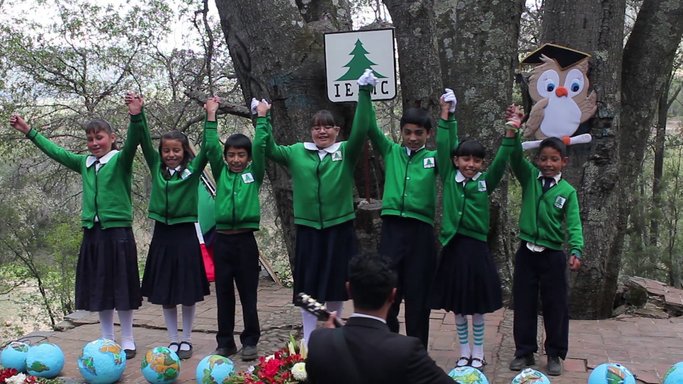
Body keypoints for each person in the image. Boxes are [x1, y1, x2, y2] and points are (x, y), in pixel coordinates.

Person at [9, 104, 142, 359]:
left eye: (99, 137)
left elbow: (136, 140)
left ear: (112, 138)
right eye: (90, 139)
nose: (94, 143)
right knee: (102, 288)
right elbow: (56, 152)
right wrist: (29, 130)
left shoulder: (120, 160)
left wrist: (136, 116)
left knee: (122, 289)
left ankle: (127, 339)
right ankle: (107, 339)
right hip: (93, 234)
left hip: (118, 234)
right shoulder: (85, 163)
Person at [264, 71, 373, 344]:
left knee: (336, 285)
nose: (321, 131)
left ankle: (332, 334)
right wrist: (262, 119)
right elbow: (267, 148)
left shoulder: (345, 151)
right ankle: (310, 338)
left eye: (328, 127)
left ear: (337, 130)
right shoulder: (296, 152)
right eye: (316, 127)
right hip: (309, 230)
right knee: (309, 288)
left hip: (339, 228)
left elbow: (362, 129)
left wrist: (364, 94)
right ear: (311, 130)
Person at [430, 89, 517, 370]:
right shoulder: (448, 174)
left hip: (477, 249)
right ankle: (464, 351)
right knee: (458, 305)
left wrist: (511, 131)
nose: (470, 164)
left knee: (477, 306)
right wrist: (447, 116)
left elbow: (503, 161)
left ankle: (478, 352)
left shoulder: (484, 182)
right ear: (456, 161)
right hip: (454, 247)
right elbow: (444, 144)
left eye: (476, 161)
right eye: (465, 159)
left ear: (481, 163)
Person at [131, 92, 210, 360]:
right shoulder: (156, 167)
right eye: (166, 150)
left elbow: (209, 147)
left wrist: (210, 116)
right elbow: (141, 139)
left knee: (187, 291)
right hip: (162, 234)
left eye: (176, 150)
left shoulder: (193, 170)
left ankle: (187, 339)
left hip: (185, 232)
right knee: (166, 291)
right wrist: (137, 114)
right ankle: (173, 339)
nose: (171, 154)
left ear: (185, 151)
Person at [506, 105, 584, 376]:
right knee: (524, 302)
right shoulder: (529, 178)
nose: (548, 164)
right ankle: (525, 351)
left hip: (553, 256)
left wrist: (576, 249)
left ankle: (554, 354)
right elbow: (515, 157)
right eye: (543, 159)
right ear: (537, 160)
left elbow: (573, 223)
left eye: (554, 159)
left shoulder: (568, 192)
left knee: (555, 306)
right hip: (527, 253)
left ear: (564, 162)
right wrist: (514, 130)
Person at [365, 76, 437, 347]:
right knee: (388, 290)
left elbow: (453, 152)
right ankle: (388, 345)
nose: (413, 137)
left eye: (419, 133)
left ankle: (416, 351)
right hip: (393, 230)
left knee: (419, 295)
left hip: (421, 232)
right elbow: (370, 127)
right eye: (408, 132)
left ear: (428, 134)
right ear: (401, 132)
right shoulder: (392, 151)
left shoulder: (433, 158)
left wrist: (449, 117)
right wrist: (364, 93)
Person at [306, 252, 453, 384]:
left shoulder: (319, 341)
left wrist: (329, 337)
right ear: (393, 295)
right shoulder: (406, 350)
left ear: (349, 290)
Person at [205, 96, 267, 361]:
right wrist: (211, 116)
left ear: (248, 157)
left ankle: (250, 340)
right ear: (225, 157)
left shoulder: (254, 175)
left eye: (241, 155)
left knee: (248, 294)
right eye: (231, 155)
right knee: (224, 294)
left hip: (245, 242)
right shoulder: (221, 173)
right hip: (222, 242)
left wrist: (262, 118)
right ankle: (225, 342)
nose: (236, 159)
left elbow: (263, 146)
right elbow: (209, 147)